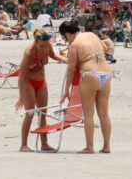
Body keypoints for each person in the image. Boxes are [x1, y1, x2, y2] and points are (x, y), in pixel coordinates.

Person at [59, 20, 112, 154]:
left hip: (89, 74)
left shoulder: (74, 45)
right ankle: (106, 146)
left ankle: (89, 147)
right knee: (104, 114)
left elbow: (71, 69)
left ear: (67, 34)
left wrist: (66, 90)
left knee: (88, 114)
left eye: (64, 38)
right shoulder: (92, 35)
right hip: (105, 73)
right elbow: (105, 48)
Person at [16, 28, 67, 152]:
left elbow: (53, 55)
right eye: (42, 46)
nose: (44, 48)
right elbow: (21, 75)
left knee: (43, 113)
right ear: (36, 40)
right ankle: (23, 145)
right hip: (28, 82)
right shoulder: (29, 52)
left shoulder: (47, 44)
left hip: (41, 81)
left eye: (46, 45)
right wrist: (21, 97)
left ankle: (44, 144)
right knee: (30, 113)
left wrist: (66, 60)